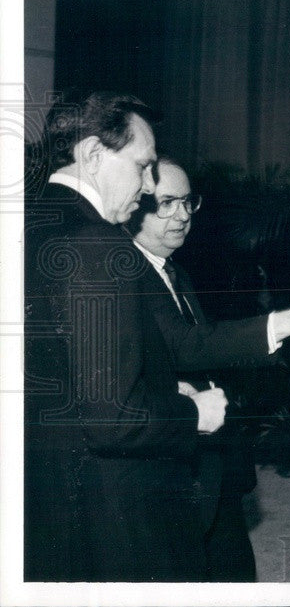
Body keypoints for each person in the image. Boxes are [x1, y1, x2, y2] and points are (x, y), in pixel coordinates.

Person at [23, 91, 228, 581]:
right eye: (142, 165)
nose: (149, 183)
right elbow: (113, 420)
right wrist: (192, 413)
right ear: (94, 155)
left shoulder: (34, 220)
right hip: (109, 504)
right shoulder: (95, 243)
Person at [126, 158, 290, 581]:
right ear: (134, 206)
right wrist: (289, 321)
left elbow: (198, 347)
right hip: (174, 463)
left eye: (188, 202)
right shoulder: (130, 274)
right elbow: (189, 346)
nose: (182, 215)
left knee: (233, 568)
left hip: (210, 459)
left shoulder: (171, 270)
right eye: (166, 203)